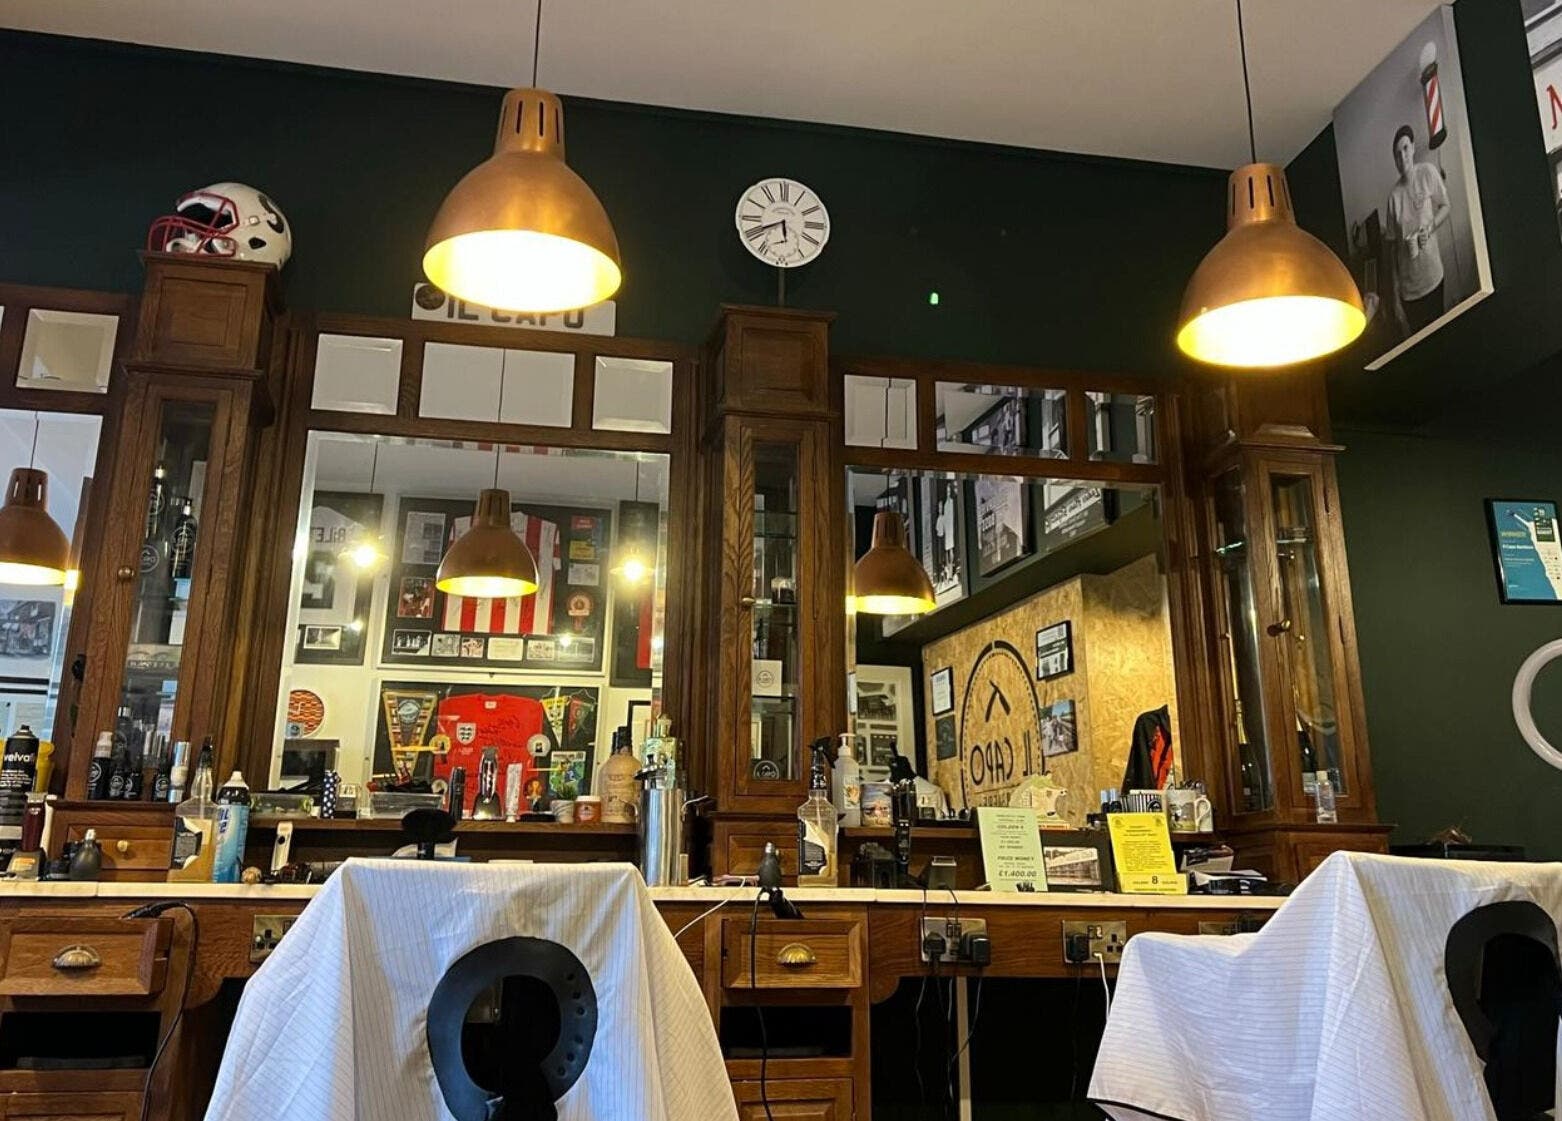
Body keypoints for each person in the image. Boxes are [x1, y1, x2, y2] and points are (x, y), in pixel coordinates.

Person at [1386, 123, 1452, 338]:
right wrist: (1396, 298)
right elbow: (1392, 251)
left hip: (1433, 277)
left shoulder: (1427, 173)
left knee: (1441, 336)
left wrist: (1430, 228)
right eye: (1397, 154)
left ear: (1413, 148)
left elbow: (1446, 206)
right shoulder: (1393, 198)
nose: (1402, 156)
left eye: (1405, 148)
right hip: (1409, 292)